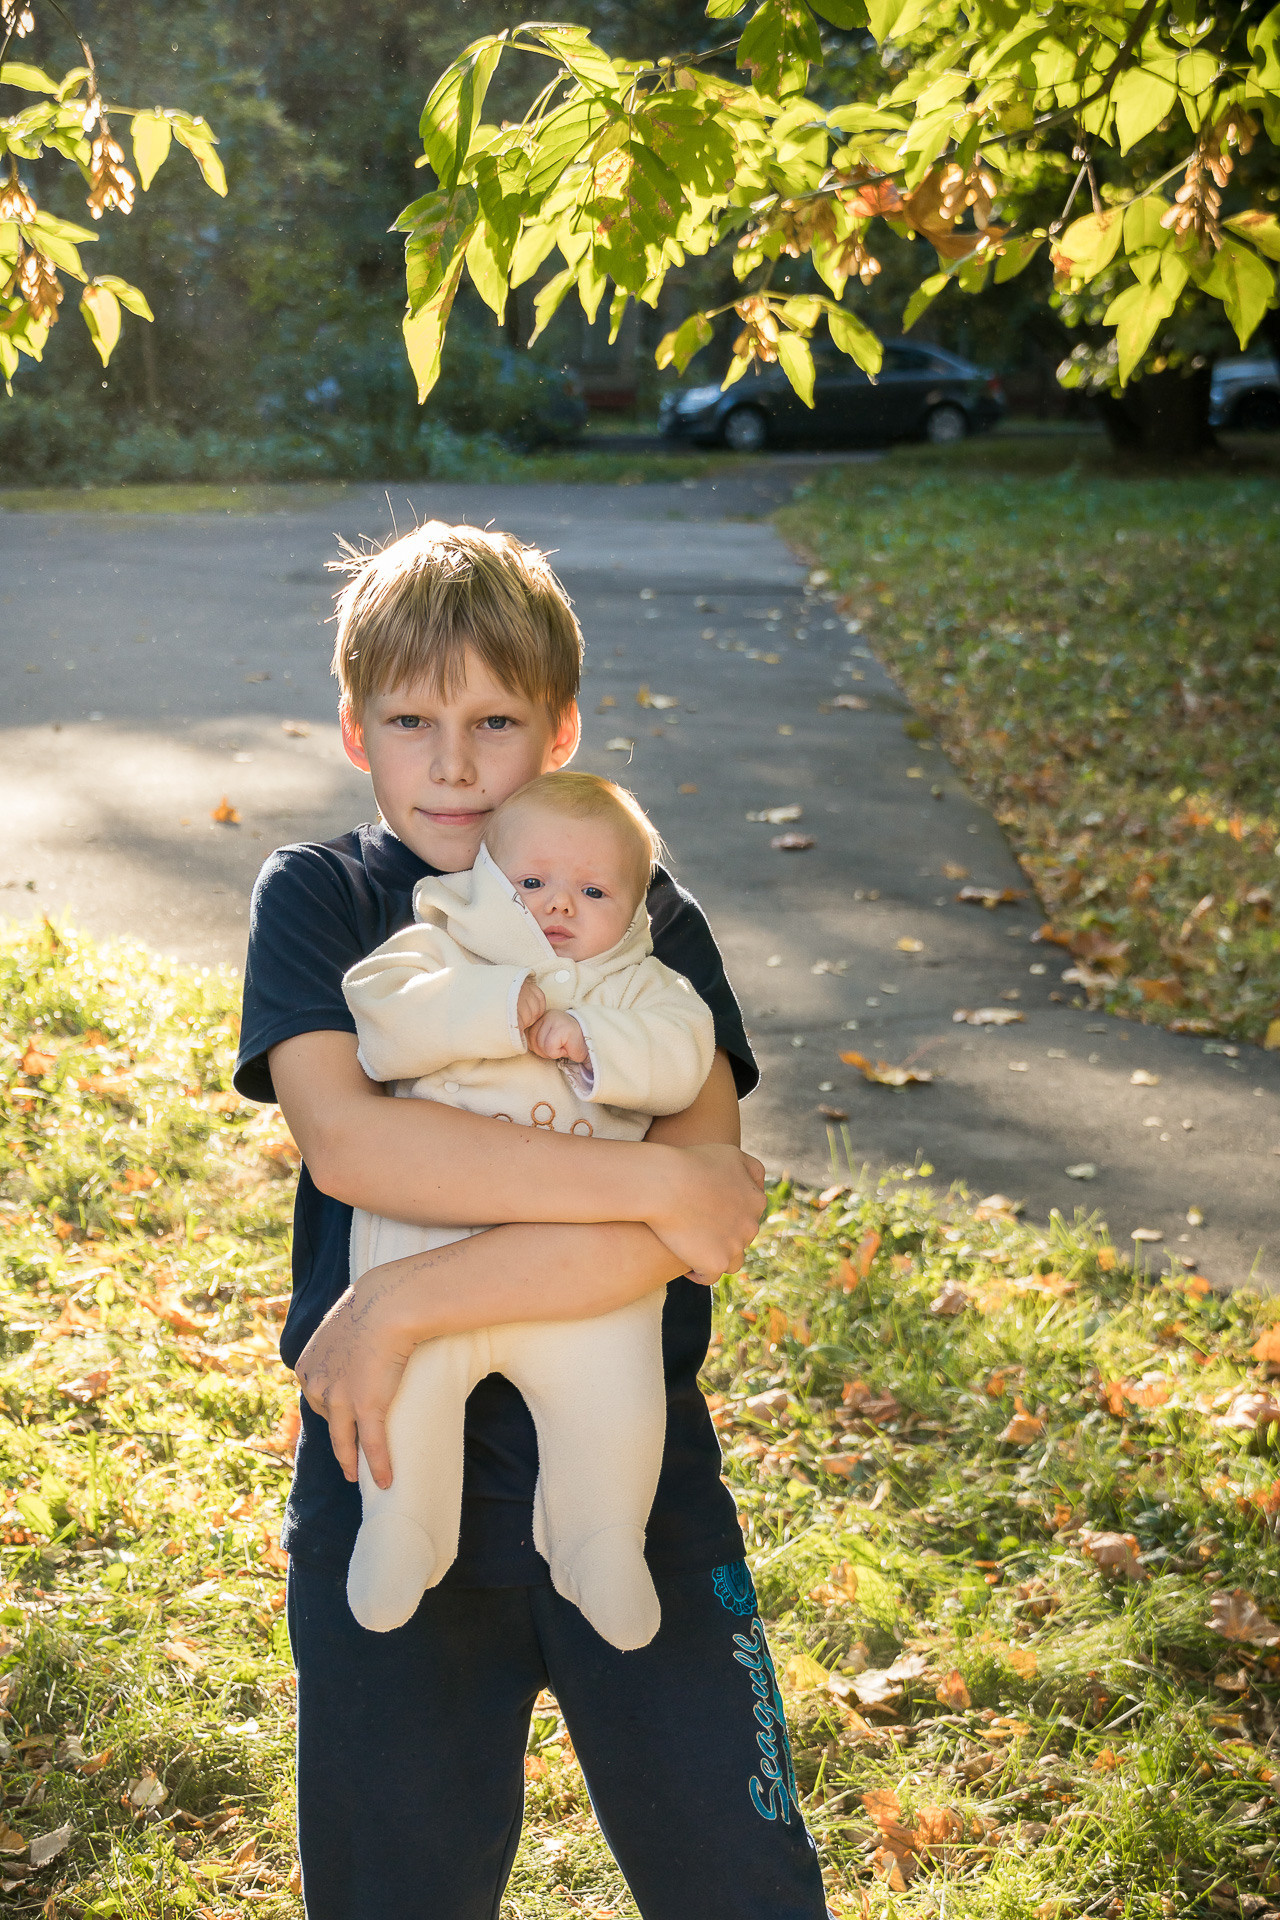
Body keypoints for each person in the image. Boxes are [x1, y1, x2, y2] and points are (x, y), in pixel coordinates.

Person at [233, 520, 830, 1920]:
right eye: (412, 721)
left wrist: (408, 1300)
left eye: (495, 721)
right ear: (352, 730)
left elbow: (709, 1218)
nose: (453, 764)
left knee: (745, 1889)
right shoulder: (323, 899)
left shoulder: (639, 912)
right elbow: (357, 1142)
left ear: (559, 729)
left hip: (644, 1491)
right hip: (384, 1465)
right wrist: (652, 1186)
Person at [341, 770, 717, 1648]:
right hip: (432, 1245)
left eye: (593, 891)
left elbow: (684, 1058)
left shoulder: (643, 987)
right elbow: (381, 1018)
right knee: (406, 1387)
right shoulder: (441, 946)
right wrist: (504, 1008)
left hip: (578, 1269)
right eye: (532, 884)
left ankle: (599, 1538)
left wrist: (595, 1041)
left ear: (631, 911)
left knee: (616, 1394)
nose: (558, 908)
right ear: (488, 882)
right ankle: (403, 1527)